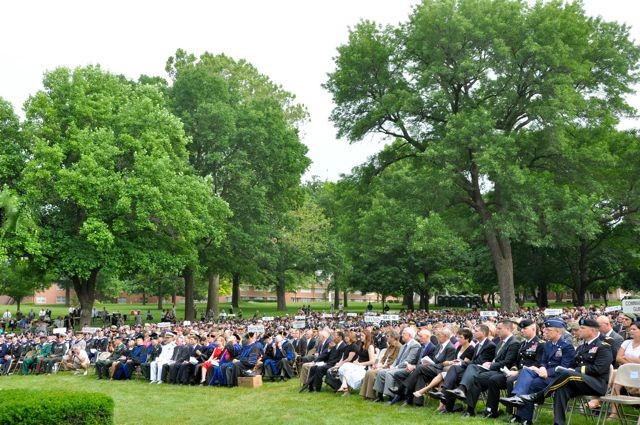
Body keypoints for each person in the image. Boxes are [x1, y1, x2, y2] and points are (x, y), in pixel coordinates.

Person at [515, 318, 613, 425]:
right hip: (577, 382)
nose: (579, 330)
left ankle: (539, 395)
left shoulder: (603, 347)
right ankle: (558, 423)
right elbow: (573, 364)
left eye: (583, 328)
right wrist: (572, 370)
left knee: (568, 373)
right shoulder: (581, 347)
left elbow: (599, 369)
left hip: (596, 384)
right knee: (561, 389)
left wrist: (575, 370)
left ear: (593, 331)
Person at [500, 319, 576, 425]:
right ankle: (518, 398)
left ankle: (525, 418)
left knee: (532, 384)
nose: (544, 331)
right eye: (545, 329)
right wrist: (542, 368)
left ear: (558, 332)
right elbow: (543, 361)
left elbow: (564, 367)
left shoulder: (566, 346)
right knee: (526, 370)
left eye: (548, 330)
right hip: (544, 373)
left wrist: (547, 372)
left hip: (557, 378)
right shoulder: (548, 344)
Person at [444, 319, 521, 417]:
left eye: (499, 328)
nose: (497, 330)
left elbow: (508, 362)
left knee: (475, 375)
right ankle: (468, 408)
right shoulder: (501, 342)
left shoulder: (514, 343)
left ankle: (476, 407)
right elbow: (497, 359)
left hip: (504, 372)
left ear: (508, 329)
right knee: (470, 375)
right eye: (497, 328)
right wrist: (490, 363)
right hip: (493, 369)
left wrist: (491, 365)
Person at [413, 328, 474, 408]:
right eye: (458, 337)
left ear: (467, 339)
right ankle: (439, 404)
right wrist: (450, 362)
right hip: (451, 370)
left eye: (460, 337)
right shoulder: (459, 347)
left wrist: (449, 362)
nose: (458, 339)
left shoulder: (471, 349)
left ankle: (422, 391)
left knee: (431, 371)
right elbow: (456, 360)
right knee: (426, 375)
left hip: (460, 372)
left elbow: (464, 363)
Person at [372, 327, 422, 402]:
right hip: (398, 366)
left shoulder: (415, 345)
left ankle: (391, 397)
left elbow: (409, 360)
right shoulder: (404, 345)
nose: (402, 335)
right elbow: (397, 359)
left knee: (389, 373)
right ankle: (379, 395)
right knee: (381, 372)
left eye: (404, 334)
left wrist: (396, 367)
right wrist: (393, 366)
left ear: (410, 335)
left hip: (407, 368)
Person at [360, 330, 402, 400]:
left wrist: (382, 366)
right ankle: (365, 395)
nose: (387, 338)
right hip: (383, 366)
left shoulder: (398, 347)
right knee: (369, 372)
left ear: (393, 337)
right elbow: (384, 358)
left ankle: (371, 395)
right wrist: (378, 364)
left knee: (371, 373)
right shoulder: (390, 346)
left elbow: (394, 360)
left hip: (389, 367)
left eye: (388, 336)